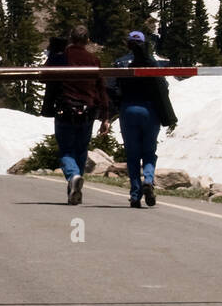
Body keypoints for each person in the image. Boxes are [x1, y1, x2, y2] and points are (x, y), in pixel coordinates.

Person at [107, 30, 178, 208]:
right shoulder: (152, 63)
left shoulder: (120, 63)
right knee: (148, 151)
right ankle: (148, 178)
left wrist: (115, 108)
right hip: (150, 110)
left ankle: (135, 194)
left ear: (128, 44)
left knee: (132, 154)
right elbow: (163, 87)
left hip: (128, 109)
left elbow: (111, 88)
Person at [53, 25, 109, 206]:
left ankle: (73, 176)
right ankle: (74, 189)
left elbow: (43, 76)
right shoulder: (94, 60)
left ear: (71, 39)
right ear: (87, 41)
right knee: (81, 150)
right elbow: (101, 89)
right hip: (88, 111)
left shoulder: (62, 57)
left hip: (65, 109)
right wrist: (105, 116)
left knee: (66, 150)